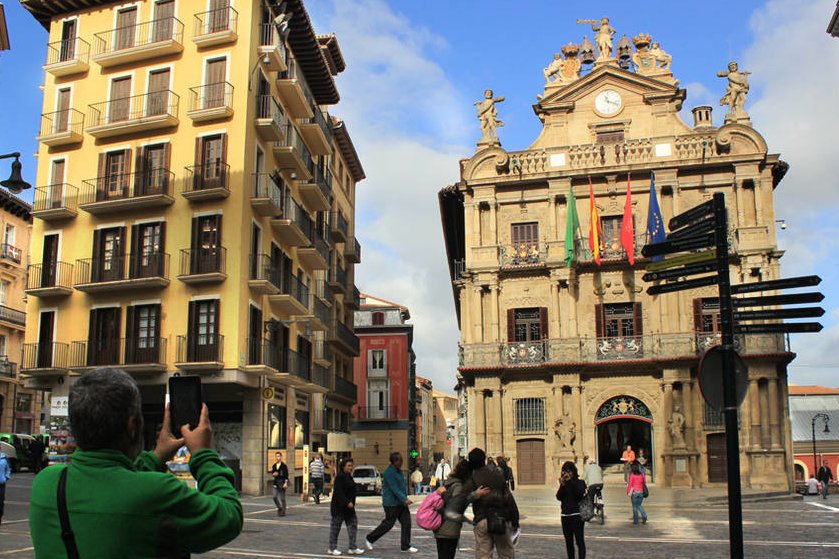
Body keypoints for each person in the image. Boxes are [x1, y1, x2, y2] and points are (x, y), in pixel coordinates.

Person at [29, 367, 243, 557]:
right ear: (132, 426)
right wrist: (203, 454)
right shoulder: (156, 491)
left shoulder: (47, 483)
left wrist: (156, 456)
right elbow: (229, 516)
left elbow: (114, 482)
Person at [464, 447, 519, 559]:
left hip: (482, 519)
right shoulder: (497, 475)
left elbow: (463, 499)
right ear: (484, 459)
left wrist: (475, 495)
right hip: (500, 518)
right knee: (506, 553)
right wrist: (515, 520)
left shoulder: (471, 478)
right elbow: (509, 498)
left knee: (483, 554)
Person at [435, 459, 490, 559]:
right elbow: (456, 504)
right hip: (449, 528)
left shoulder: (449, 482)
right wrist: (475, 495)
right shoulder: (458, 486)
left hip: (440, 526)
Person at [365, 452, 417, 553]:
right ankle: (370, 538)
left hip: (401, 503)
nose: (401, 463)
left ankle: (405, 545)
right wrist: (404, 499)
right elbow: (394, 488)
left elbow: (401, 487)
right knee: (388, 524)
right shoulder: (389, 473)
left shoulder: (399, 471)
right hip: (391, 503)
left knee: (407, 523)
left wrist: (404, 499)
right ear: (395, 461)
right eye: (400, 461)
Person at [329, 458, 365, 556]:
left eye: (352, 465)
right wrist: (347, 502)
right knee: (335, 528)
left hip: (349, 509)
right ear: (343, 466)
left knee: (353, 526)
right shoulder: (340, 477)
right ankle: (332, 548)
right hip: (339, 507)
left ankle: (352, 547)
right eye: (349, 465)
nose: (351, 467)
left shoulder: (349, 476)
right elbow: (338, 492)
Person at [556, 461, 587, 559]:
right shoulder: (564, 484)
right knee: (568, 542)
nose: (567, 474)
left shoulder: (580, 482)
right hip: (565, 516)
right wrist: (562, 485)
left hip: (577, 515)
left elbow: (579, 494)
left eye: (569, 471)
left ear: (573, 471)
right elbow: (559, 497)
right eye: (565, 472)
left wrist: (570, 482)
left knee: (579, 541)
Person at [271, 451, 289, 516]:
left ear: (281, 457)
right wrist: (274, 474)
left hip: (282, 483)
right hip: (276, 483)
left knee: (282, 498)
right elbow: (273, 473)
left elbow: (286, 475)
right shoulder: (274, 466)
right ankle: (279, 507)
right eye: (276, 456)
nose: (277, 458)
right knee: (274, 497)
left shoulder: (284, 466)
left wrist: (286, 483)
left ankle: (283, 511)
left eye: (278, 456)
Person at [0, 444, 10, 526]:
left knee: (0, 501)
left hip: (1, 483)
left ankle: (0, 517)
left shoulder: (4, 458)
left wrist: (6, 477)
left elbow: (8, 469)